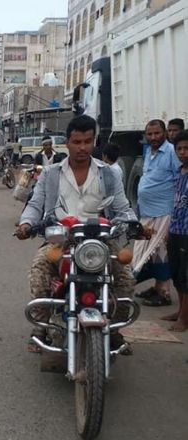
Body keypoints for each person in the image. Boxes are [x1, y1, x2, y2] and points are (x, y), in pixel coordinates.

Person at [16, 115, 138, 353]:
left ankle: (114, 330)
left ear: (94, 142)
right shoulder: (51, 174)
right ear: (67, 143)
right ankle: (41, 326)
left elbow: (123, 208)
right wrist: (26, 223)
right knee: (39, 273)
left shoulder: (109, 174)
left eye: (87, 141)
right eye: (77, 141)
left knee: (125, 281)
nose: (82, 147)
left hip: (101, 241)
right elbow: (35, 204)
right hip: (61, 240)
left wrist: (134, 224)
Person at [132, 120, 181, 307]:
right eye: (149, 134)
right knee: (146, 252)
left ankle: (164, 293)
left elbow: (179, 181)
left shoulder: (171, 152)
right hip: (147, 213)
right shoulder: (149, 152)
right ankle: (157, 287)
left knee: (160, 252)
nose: (153, 137)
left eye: (157, 133)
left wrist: (175, 215)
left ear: (165, 133)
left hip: (164, 213)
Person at [161, 130, 188, 331]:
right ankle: (180, 312)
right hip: (176, 229)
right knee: (177, 275)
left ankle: (185, 319)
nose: (183, 153)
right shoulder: (179, 173)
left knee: (186, 277)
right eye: (179, 149)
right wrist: (169, 230)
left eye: (187, 148)